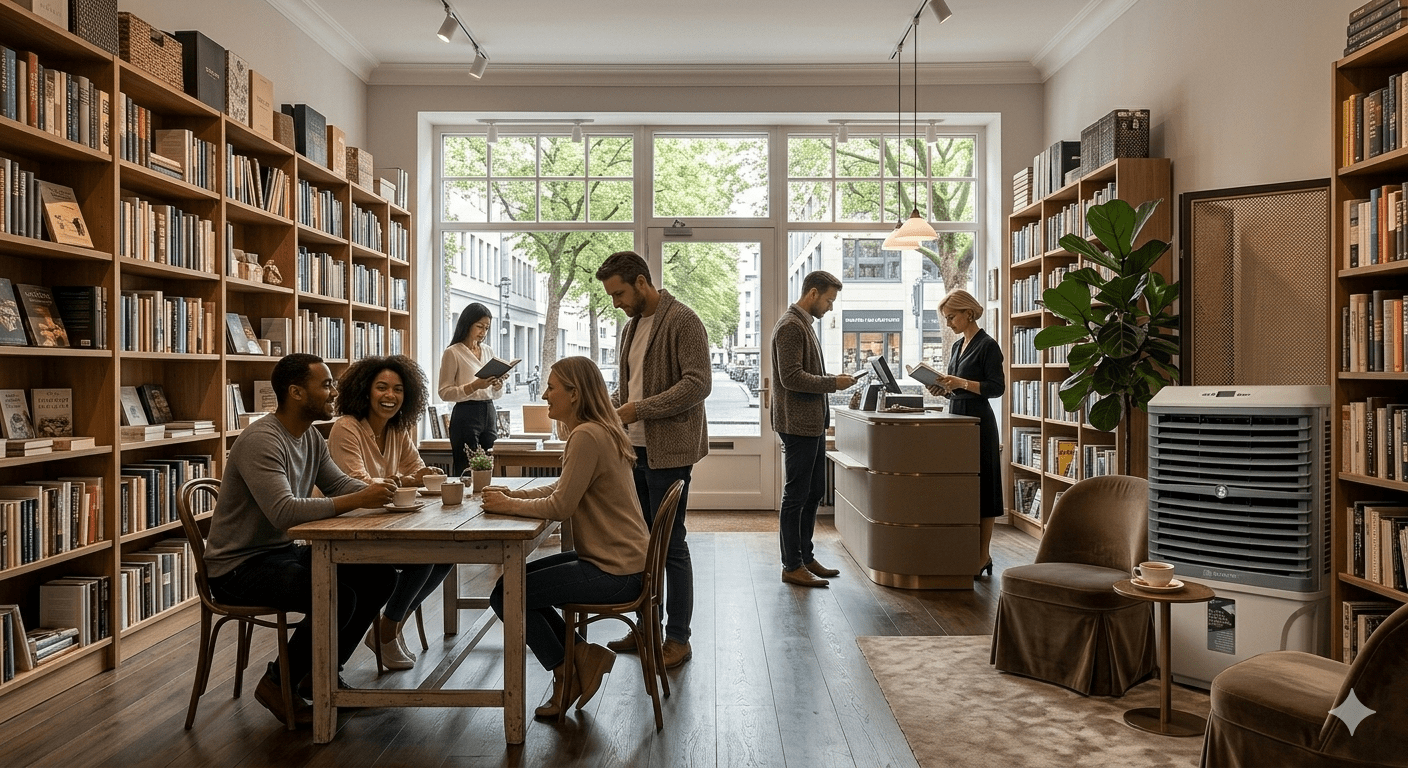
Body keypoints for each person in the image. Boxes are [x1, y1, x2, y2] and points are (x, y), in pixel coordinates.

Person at [203, 354, 396, 726]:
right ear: (295, 392)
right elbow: (285, 512)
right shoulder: (261, 440)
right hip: (237, 567)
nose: (333, 392)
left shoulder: (309, 436)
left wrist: (387, 495)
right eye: (325, 385)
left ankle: (319, 675)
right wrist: (360, 499)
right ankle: (279, 684)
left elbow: (339, 484)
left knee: (380, 575)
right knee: (336, 593)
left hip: (280, 553)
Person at [481, 357, 651, 719]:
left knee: (507, 593)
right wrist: (511, 498)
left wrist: (508, 505)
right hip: (625, 562)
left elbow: (560, 506)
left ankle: (566, 672)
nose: (544, 394)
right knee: (515, 585)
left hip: (616, 573)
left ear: (574, 394)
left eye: (552, 387)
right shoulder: (600, 430)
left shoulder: (587, 435)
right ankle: (580, 658)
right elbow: (563, 489)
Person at [594, 250, 711, 669]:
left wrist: (637, 410)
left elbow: (698, 385)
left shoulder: (684, 320)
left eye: (620, 292)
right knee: (643, 544)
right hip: (635, 450)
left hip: (672, 451)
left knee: (671, 544)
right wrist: (603, 405)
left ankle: (678, 637)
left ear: (642, 282)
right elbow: (630, 390)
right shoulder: (631, 327)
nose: (616, 302)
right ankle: (647, 626)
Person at [328, 354, 452, 670]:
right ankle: (387, 631)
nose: (390, 396)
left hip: (385, 525)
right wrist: (408, 480)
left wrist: (424, 474)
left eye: (398, 389)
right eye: (382, 387)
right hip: (348, 531)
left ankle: (390, 627)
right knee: (423, 554)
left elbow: (417, 470)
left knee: (447, 553)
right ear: (364, 391)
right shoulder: (346, 428)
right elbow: (358, 486)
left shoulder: (397, 430)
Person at [771, 270, 857, 587]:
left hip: (810, 424)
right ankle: (791, 564)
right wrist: (833, 383)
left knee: (813, 492)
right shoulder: (791, 327)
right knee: (796, 496)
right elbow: (790, 378)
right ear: (813, 294)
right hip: (798, 425)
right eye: (829, 300)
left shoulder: (802, 325)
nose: (830, 308)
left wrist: (831, 381)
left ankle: (804, 558)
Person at [925, 289, 1006, 577]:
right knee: (961, 488)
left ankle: (982, 555)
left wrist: (962, 382)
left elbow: (996, 388)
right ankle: (963, 549)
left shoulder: (988, 346)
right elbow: (955, 390)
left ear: (968, 313)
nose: (948, 323)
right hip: (957, 420)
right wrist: (942, 388)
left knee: (984, 489)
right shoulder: (958, 347)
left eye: (951, 317)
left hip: (979, 423)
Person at [439, 303, 506, 476]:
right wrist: (474, 386)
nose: (483, 332)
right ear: (467, 323)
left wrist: (497, 385)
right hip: (465, 414)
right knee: (467, 469)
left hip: (489, 411)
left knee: (490, 466)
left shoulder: (488, 351)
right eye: (479, 326)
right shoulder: (453, 352)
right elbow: (444, 392)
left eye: (487, 328)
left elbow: (494, 393)